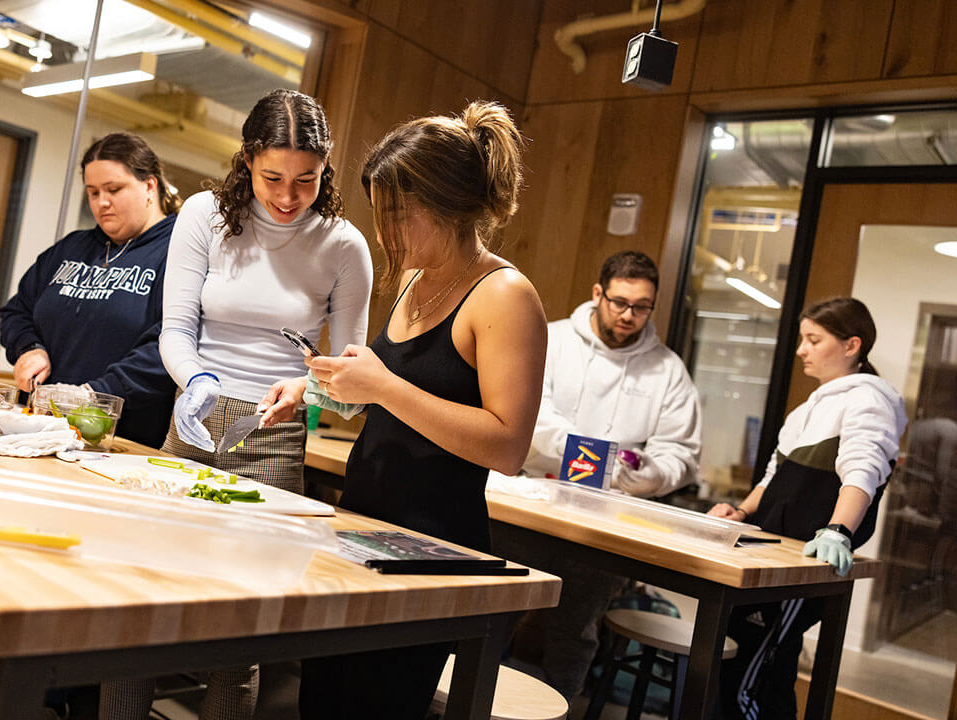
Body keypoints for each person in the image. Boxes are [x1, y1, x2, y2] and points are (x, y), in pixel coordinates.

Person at [101, 89, 373, 720]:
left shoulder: (343, 246)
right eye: (273, 176)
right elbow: (175, 329)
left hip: (273, 434)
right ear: (248, 159)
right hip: (192, 419)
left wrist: (310, 388)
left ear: (326, 166)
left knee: (240, 631)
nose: (286, 196)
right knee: (144, 600)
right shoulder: (204, 215)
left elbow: (356, 378)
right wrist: (194, 378)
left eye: (306, 180)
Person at [301, 100, 548, 720]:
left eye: (398, 215)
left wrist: (382, 386)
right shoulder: (415, 279)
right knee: (320, 703)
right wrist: (325, 390)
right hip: (363, 527)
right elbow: (405, 405)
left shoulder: (504, 295)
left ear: (447, 206)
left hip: (432, 546)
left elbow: (507, 445)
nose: (385, 234)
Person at [514, 250, 701, 705]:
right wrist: (582, 450)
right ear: (598, 293)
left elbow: (681, 453)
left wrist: (646, 473)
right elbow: (528, 408)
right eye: (620, 302)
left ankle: (553, 712)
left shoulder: (668, 370)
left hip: (607, 519)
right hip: (530, 501)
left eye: (641, 307)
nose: (629, 315)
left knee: (576, 629)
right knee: (497, 608)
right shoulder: (552, 339)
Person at [709, 297, 906, 720]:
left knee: (752, 675)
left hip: (803, 564)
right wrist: (740, 513)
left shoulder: (870, 401)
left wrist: (838, 530)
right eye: (802, 339)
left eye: (814, 340)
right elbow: (772, 476)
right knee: (755, 667)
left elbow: (862, 470)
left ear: (852, 345)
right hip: (765, 554)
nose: (801, 350)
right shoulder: (809, 407)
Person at [0, 132, 178, 448]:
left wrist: (96, 395)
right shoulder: (73, 247)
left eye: (114, 189)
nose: (101, 202)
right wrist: (28, 347)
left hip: (120, 441)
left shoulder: (178, 252)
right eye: (93, 192)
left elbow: (171, 343)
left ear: (150, 186)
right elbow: (17, 311)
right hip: (44, 429)